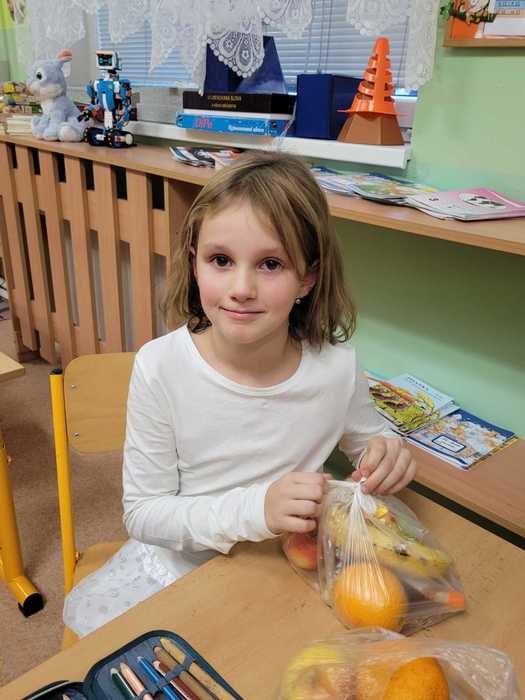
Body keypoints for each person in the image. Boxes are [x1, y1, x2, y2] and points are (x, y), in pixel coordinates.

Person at [63, 151, 416, 637]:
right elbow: (145, 514)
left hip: (292, 572)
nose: (241, 288)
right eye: (221, 261)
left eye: (270, 264)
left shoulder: (337, 368)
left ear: (307, 278)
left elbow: (371, 442)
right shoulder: (160, 367)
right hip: (184, 574)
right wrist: (258, 510)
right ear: (194, 262)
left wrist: (388, 453)